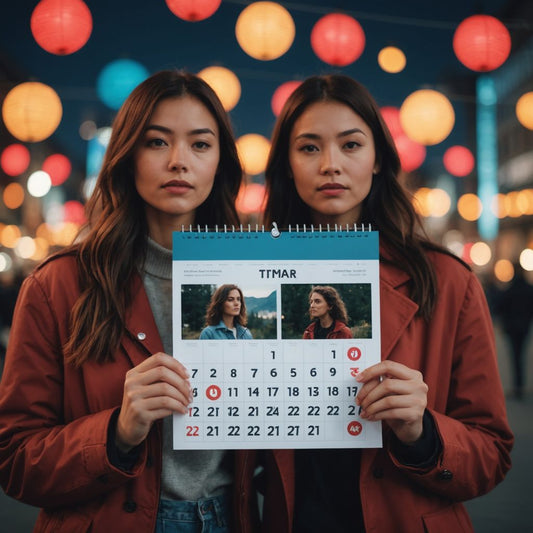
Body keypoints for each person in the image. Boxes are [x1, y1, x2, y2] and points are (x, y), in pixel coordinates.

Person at [0, 70, 264, 533]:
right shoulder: (60, 284)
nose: (179, 161)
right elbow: (15, 458)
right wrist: (116, 432)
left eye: (200, 144)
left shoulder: (254, 277)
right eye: (157, 142)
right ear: (126, 156)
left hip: (231, 518)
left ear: (221, 162)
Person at [262, 74, 514, 533]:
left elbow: (492, 453)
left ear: (379, 158)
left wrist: (421, 430)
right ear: (286, 164)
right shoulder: (250, 274)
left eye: (351, 145)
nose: (330, 165)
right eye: (309, 148)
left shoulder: (445, 280)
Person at [494, 263, 533, 400]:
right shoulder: (528, 288)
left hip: (512, 328)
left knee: (515, 356)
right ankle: (520, 385)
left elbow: (500, 305)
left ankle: (518, 386)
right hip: (524, 327)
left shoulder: (510, 289)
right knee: (521, 355)